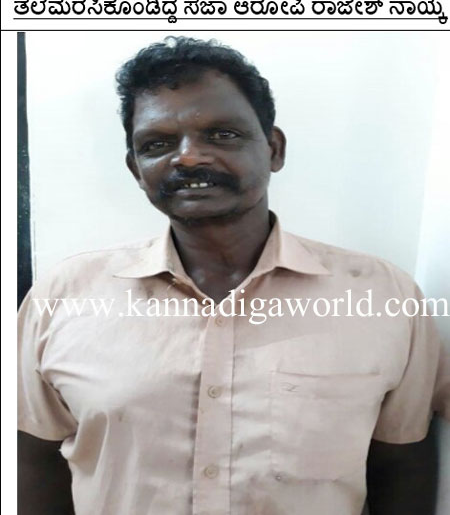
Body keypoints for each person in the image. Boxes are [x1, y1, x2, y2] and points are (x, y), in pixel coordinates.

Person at [18, 36, 449, 515]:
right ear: (136, 169)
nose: (188, 157)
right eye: (157, 144)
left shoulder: (383, 298)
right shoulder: (65, 296)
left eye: (222, 134)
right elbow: (33, 456)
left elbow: (402, 464)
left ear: (274, 149)